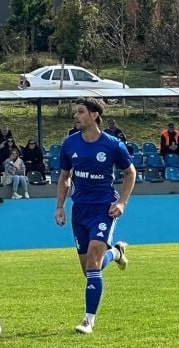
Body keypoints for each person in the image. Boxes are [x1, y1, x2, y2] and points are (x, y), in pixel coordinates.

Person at [54, 97, 135, 335]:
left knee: (92, 264)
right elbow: (64, 177)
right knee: (89, 270)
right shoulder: (69, 144)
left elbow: (130, 173)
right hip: (80, 210)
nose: (76, 116)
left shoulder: (113, 145)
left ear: (94, 115)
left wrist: (122, 202)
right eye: (75, 112)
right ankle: (116, 253)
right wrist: (60, 206)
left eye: (80, 111)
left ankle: (88, 321)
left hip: (103, 209)